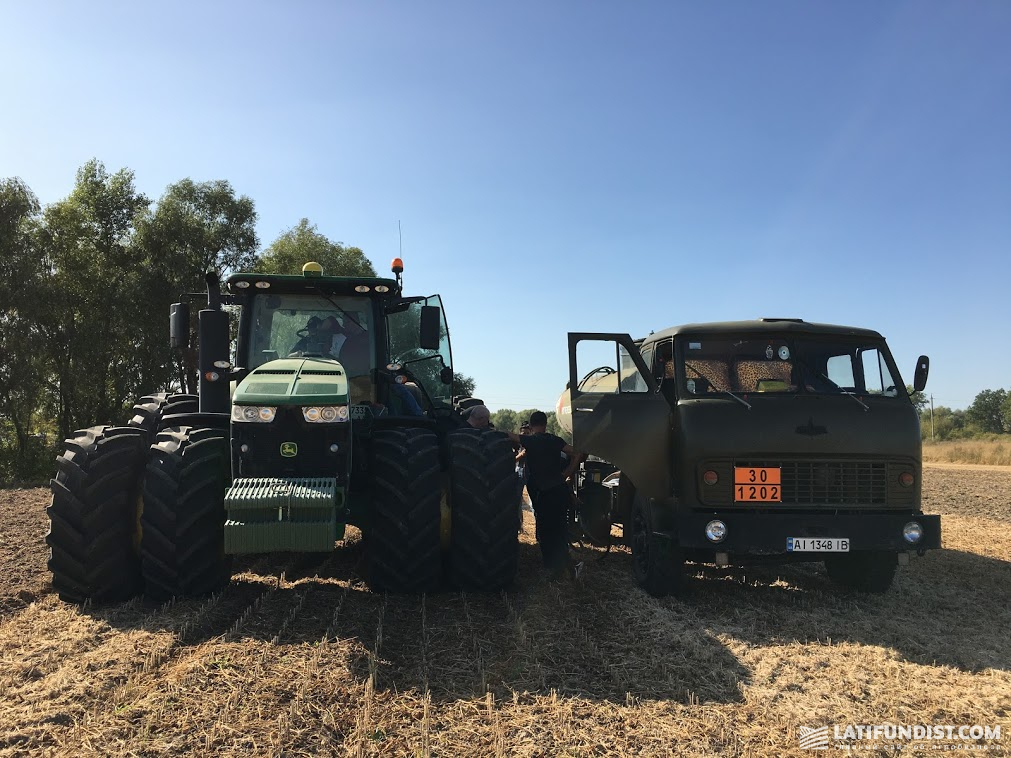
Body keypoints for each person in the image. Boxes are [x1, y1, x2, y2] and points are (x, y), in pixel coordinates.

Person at [507, 411, 583, 581]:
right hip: (559, 489)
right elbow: (577, 453)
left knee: (546, 531)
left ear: (532, 426)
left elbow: (510, 436)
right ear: (545, 424)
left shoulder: (531, 440)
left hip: (543, 492)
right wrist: (567, 473)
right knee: (559, 529)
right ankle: (567, 567)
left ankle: (557, 568)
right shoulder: (555, 440)